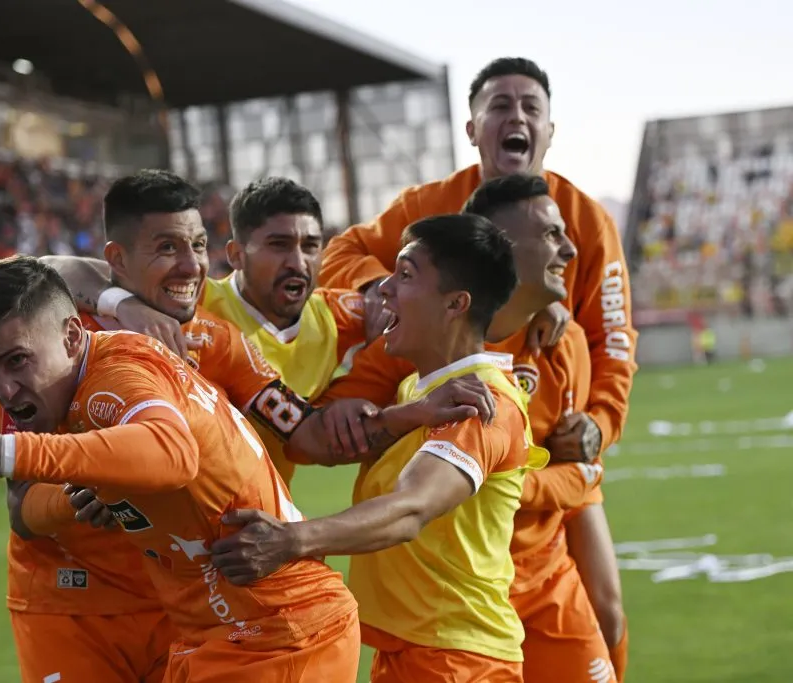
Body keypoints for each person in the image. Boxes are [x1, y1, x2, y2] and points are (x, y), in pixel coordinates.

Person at [318, 56, 634, 676]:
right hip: (463, 550)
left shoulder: (582, 235)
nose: (515, 117)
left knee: (610, 609)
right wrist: (392, 291)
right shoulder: (428, 220)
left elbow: (615, 340)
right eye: (499, 105)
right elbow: (344, 255)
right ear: (472, 128)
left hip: (535, 513)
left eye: (530, 107)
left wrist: (599, 424)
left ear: (549, 129)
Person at [0, 255, 362, 682]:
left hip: (276, 635)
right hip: (217, 632)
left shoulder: (114, 378)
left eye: (17, 361)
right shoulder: (61, 383)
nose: (4, 390)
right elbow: (24, 509)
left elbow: (174, 452)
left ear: (71, 338)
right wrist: (75, 491)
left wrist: (7, 453)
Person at [211, 214, 548, 682]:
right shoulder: (418, 391)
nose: (384, 289)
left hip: (460, 661)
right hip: (417, 654)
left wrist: (292, 541)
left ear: (455, 304)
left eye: (406, 275)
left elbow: (410, 510)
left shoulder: (482, 402)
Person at [44, 171, 492, 484]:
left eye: (310, 246)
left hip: (257, 512)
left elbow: (441, 302)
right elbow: (51, 269)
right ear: (236, 255)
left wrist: (544, 308)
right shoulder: (188, 301)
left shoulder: (342, 315)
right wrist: (122, 302)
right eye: (279, 245)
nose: (298, 261)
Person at [465, 175, 617, 683]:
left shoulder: (562, 338)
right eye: (553, 235)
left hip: (547, 574)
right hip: (464, 594)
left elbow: (577, 467)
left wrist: (594, 438)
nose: (570, 249)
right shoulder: (433, 342)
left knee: (611, 612)